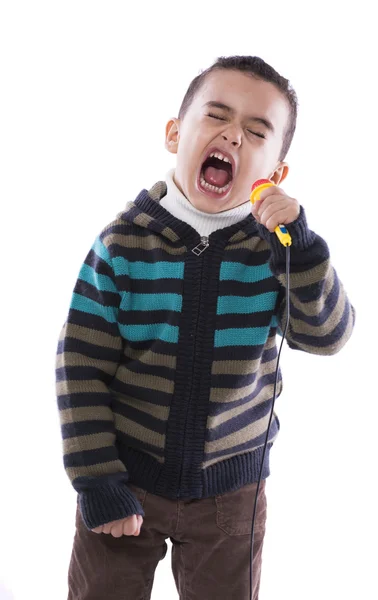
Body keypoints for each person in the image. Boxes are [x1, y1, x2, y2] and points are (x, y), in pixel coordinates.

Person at [55, 55, 355, 600]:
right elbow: (80, 367)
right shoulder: (123, 244)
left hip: (231, 492)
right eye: (217, 116)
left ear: (277, 174)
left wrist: (303, 251)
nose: (233, 136)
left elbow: (329, 334)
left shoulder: (279, 253)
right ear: (175, 134)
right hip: (125, 478)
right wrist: (96, 479)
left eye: (256, 130)